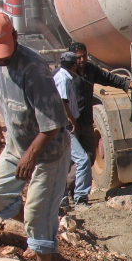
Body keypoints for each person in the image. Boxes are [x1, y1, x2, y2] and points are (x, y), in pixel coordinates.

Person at [0, 12, 70, 261]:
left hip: (48, 152)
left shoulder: (34, 69)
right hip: (16, 145)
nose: (1, 60)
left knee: (36, 212)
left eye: (4, 52)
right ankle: (39, 229)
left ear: (15, 37)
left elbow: (53, 124)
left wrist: (30, 157)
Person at [68, 42, 132, 161]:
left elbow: (107, 77)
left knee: (90, 156)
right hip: (72, 122)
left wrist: (126, 83)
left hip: (86, 122)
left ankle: (84, 173)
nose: (82, 60)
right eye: (78, 57)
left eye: (84, 56)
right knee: (73, 158)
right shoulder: (66, 73)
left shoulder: (90, 69)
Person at [54, 51, 91, 205]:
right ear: (73, 65)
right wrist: (71, 120)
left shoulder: (63, 77)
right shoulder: (63, 79)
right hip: (65, 126)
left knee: (64, 164)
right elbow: (62, 101)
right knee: (83, 160)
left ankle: (62, 200)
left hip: (62, 126)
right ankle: (81, 197)